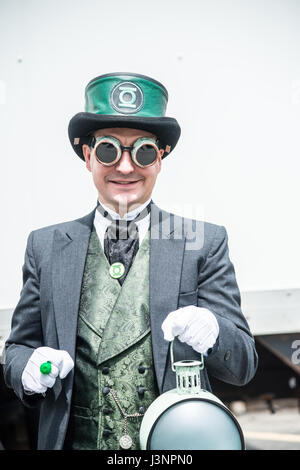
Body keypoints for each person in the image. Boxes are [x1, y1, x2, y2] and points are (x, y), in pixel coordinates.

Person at [4, 72, 258, 450]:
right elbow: (17, 350)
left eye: (142, 151)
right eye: (108, 149)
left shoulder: (203, 242)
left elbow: (243, 366)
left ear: (160, 159)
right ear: (88, 156)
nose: (125, 167)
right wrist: (26, 369)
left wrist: (215, 329)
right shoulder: (46, 246)